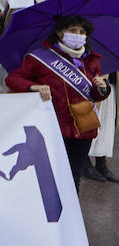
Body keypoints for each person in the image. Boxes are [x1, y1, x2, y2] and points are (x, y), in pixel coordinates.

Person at [6, 16, 112, 189]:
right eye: (72, 30)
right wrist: (33, 86)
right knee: (52, 177)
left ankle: (71, 216)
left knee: (74, 178)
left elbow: (96, 95)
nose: (78, 35)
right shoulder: (40, 58)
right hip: (52, 127)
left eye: (82, 32)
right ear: (59, 32)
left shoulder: (91, 60)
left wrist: (102, 88)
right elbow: (13, 79)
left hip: (83, 128)